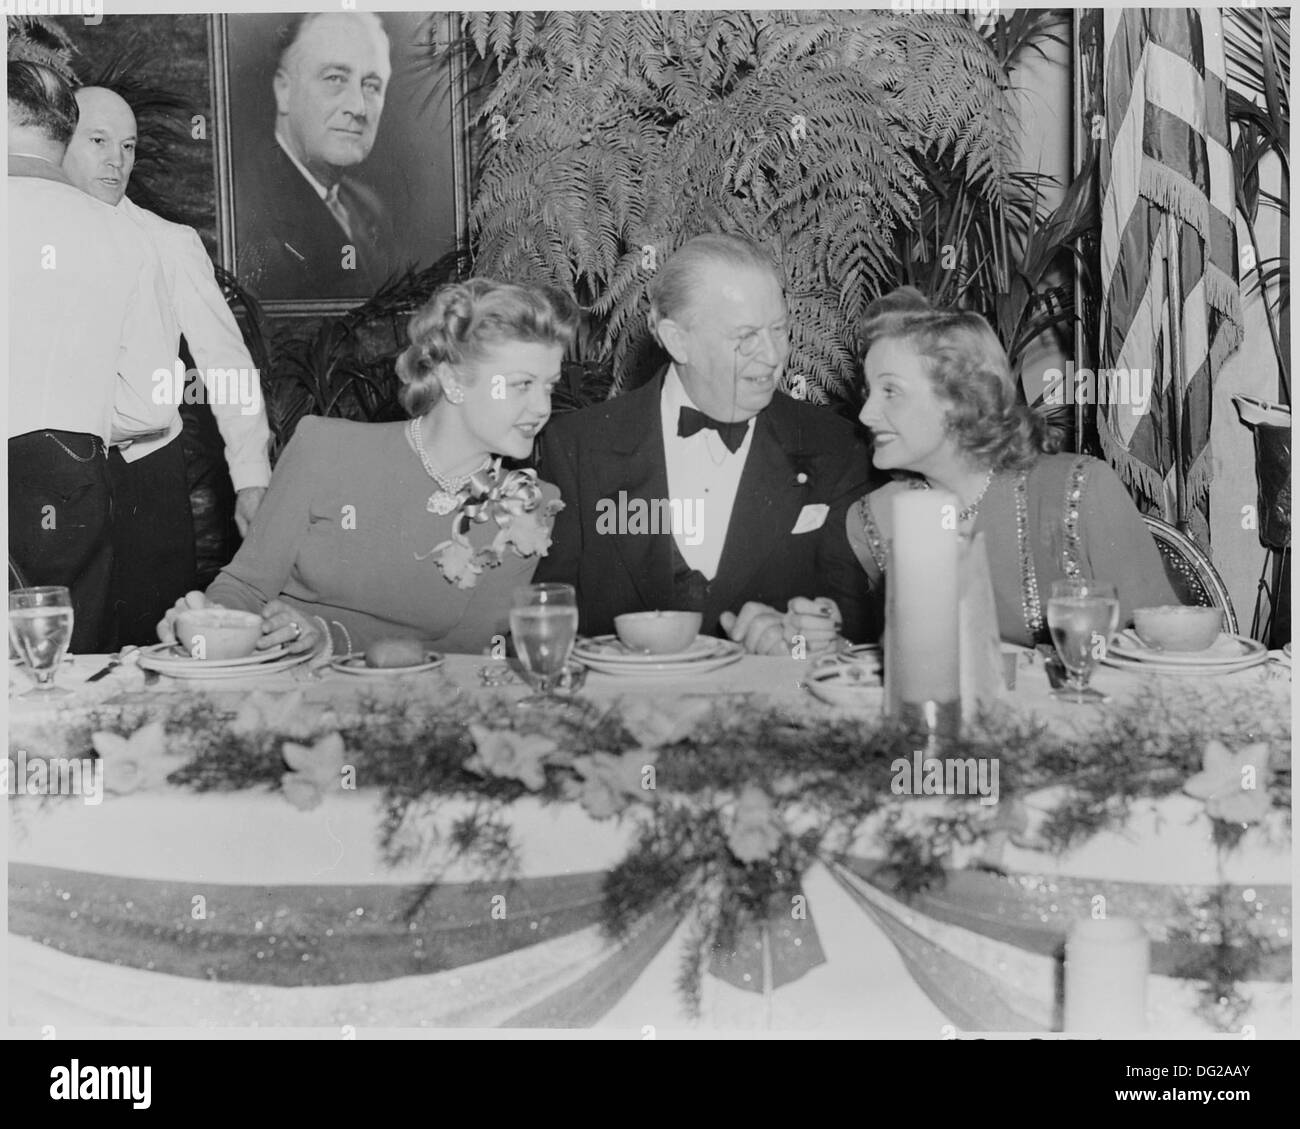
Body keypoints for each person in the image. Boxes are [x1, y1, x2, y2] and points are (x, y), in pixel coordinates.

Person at [157, 279, 577, 656]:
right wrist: (205, 622)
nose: (542, 408)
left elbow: (469, 648)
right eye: (522, 384)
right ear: (452, 380)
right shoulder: (324, 447)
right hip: (280, 686)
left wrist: (329, 637)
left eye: (549, 386)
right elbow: (246, 586)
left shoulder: (526, 506)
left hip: (416, 708)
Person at [534, 233, 874, 652]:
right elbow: (545, 619)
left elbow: (853, 619)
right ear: (679, 340)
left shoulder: (835, 445)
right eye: (746, 335)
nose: (772, 355)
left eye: (779, 329)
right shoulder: (577, 447)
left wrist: (811, 637)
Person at [837, 287, 1179, 648]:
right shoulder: (874, 518)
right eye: (868, 392)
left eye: (890, 391)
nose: (865, 414)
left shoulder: (1077, 490)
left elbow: (1163, 650)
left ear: (958, 398)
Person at [61, 85, 274, 648]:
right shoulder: (24, 239)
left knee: (157, 650)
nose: (117, 160)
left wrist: (252, 478)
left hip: (147, 478)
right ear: (60, 140)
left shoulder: (169, 243)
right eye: (99, 141)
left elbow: (226, 365)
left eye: (128, 146)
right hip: (55, 478)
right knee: (66, 651)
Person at [7, 61, 175, 654]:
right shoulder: (124, 236)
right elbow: (154, 402)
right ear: (63, 133)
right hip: (70, 472)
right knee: (67, 668)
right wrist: (75, 419)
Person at [238, 11, 401, 301]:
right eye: (336, 78)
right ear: (283, 89)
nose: (359, 107)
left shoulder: (369, 208)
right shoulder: (242, 204)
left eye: (372, 86)